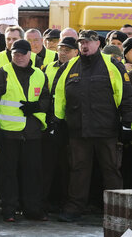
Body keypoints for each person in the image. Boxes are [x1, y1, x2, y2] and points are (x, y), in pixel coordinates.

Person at [53, 30, 132, 222]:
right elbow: (59, 97)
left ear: (98, 44)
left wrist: (127, 125)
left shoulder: (113, 65)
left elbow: (127, 96)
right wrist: (57, 123)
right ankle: (74, 209)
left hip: (107, 131)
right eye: (81, 43)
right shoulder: (68, 67)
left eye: (88, 42)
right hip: (78, 131)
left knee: (111, 171)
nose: (84, 45)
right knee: (78, 171)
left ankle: (118, 211)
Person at [0, 39, 51, 222]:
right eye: (15, 54)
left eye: (22, 53)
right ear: (11, 54)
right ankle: (9, 210)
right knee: (8, 174)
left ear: (30, 54)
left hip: (32, 133)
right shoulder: (0, 74)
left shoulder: (40, 74)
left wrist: (36, 106)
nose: (19, 57)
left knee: (33, 173)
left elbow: (46, 99)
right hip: (8, 133)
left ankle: (33, 209)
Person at [39, 36, 78, 215]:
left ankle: (66, 201)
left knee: (68, 165)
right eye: (61, 49)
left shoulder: (80, 69)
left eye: (67, 50)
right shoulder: (47, 67)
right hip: (50, 120)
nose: (62, 53)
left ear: (76, 52)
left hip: (71, 122)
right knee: (48, 163)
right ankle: (46, 201)